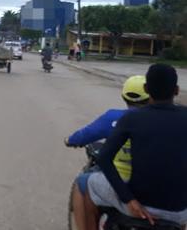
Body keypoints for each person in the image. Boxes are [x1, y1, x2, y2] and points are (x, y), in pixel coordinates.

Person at [79, 64, 187, 229]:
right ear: (177, 90)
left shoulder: (132, 119)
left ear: (146, 88)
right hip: (180, 211)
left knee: (87, 185)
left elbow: (104, 158)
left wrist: (128, 199)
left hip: (140, 205)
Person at [66, 75, 150, 230]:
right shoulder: (165, 121)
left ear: (123, 95)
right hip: (159, 191)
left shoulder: (113, 117)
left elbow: (84, 135)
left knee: (82, 183)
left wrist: (70, 140)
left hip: (121, 185)